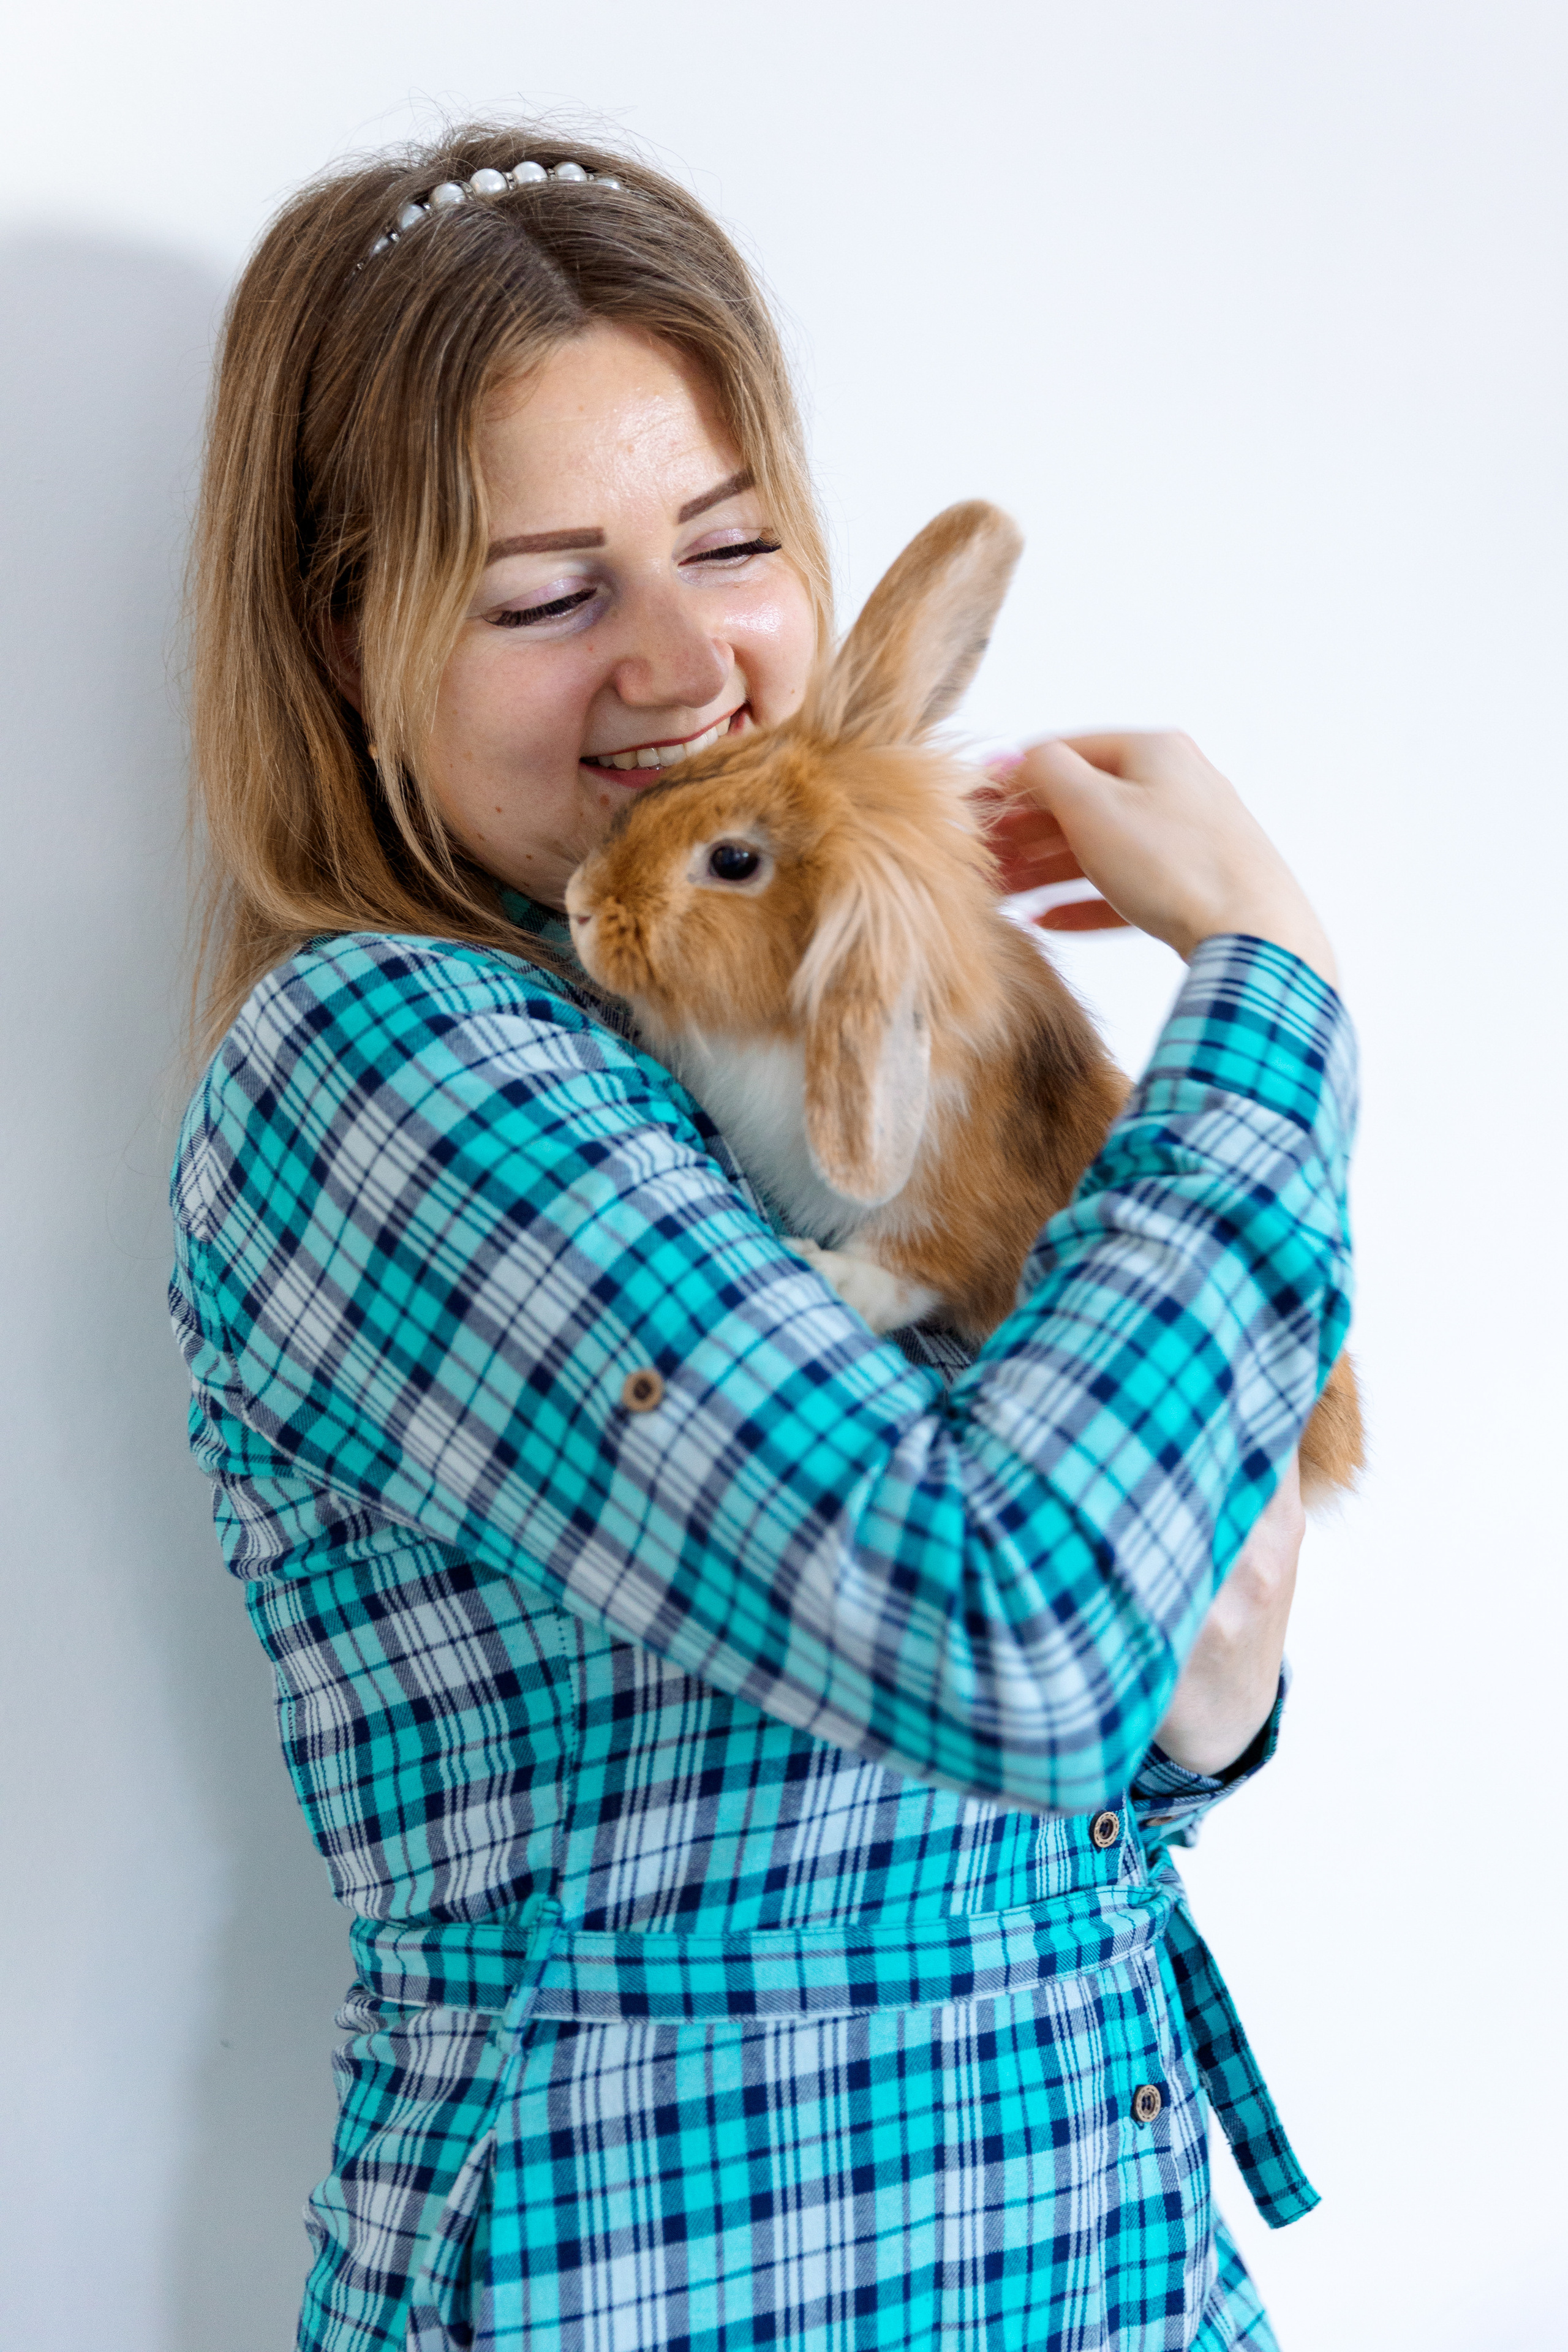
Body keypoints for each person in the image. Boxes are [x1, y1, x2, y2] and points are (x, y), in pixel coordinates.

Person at [173, 121, 1353, 2352]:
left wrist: (1211, 1712)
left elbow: (1045, 1761)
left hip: (1094, 2251)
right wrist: (1268, 1000)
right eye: (544, 593)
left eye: (727, 545)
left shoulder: (808, 1003)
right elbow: (1004, 1635)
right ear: (348, 643)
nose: (681, 670)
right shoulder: (395, 1070)